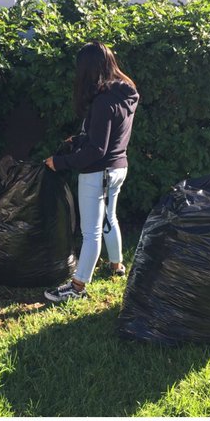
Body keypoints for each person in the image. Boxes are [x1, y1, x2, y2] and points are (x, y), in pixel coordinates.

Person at [43, 42, 140, 303]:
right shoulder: (125, 94)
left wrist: (60, 162)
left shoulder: (103, 102)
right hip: (119, 168)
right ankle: (117, 266)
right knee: (110, 218)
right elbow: (107, 137)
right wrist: (80, 139)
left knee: (91, 232)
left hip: (98, 172)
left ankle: (77, 287)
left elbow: (97, 150)